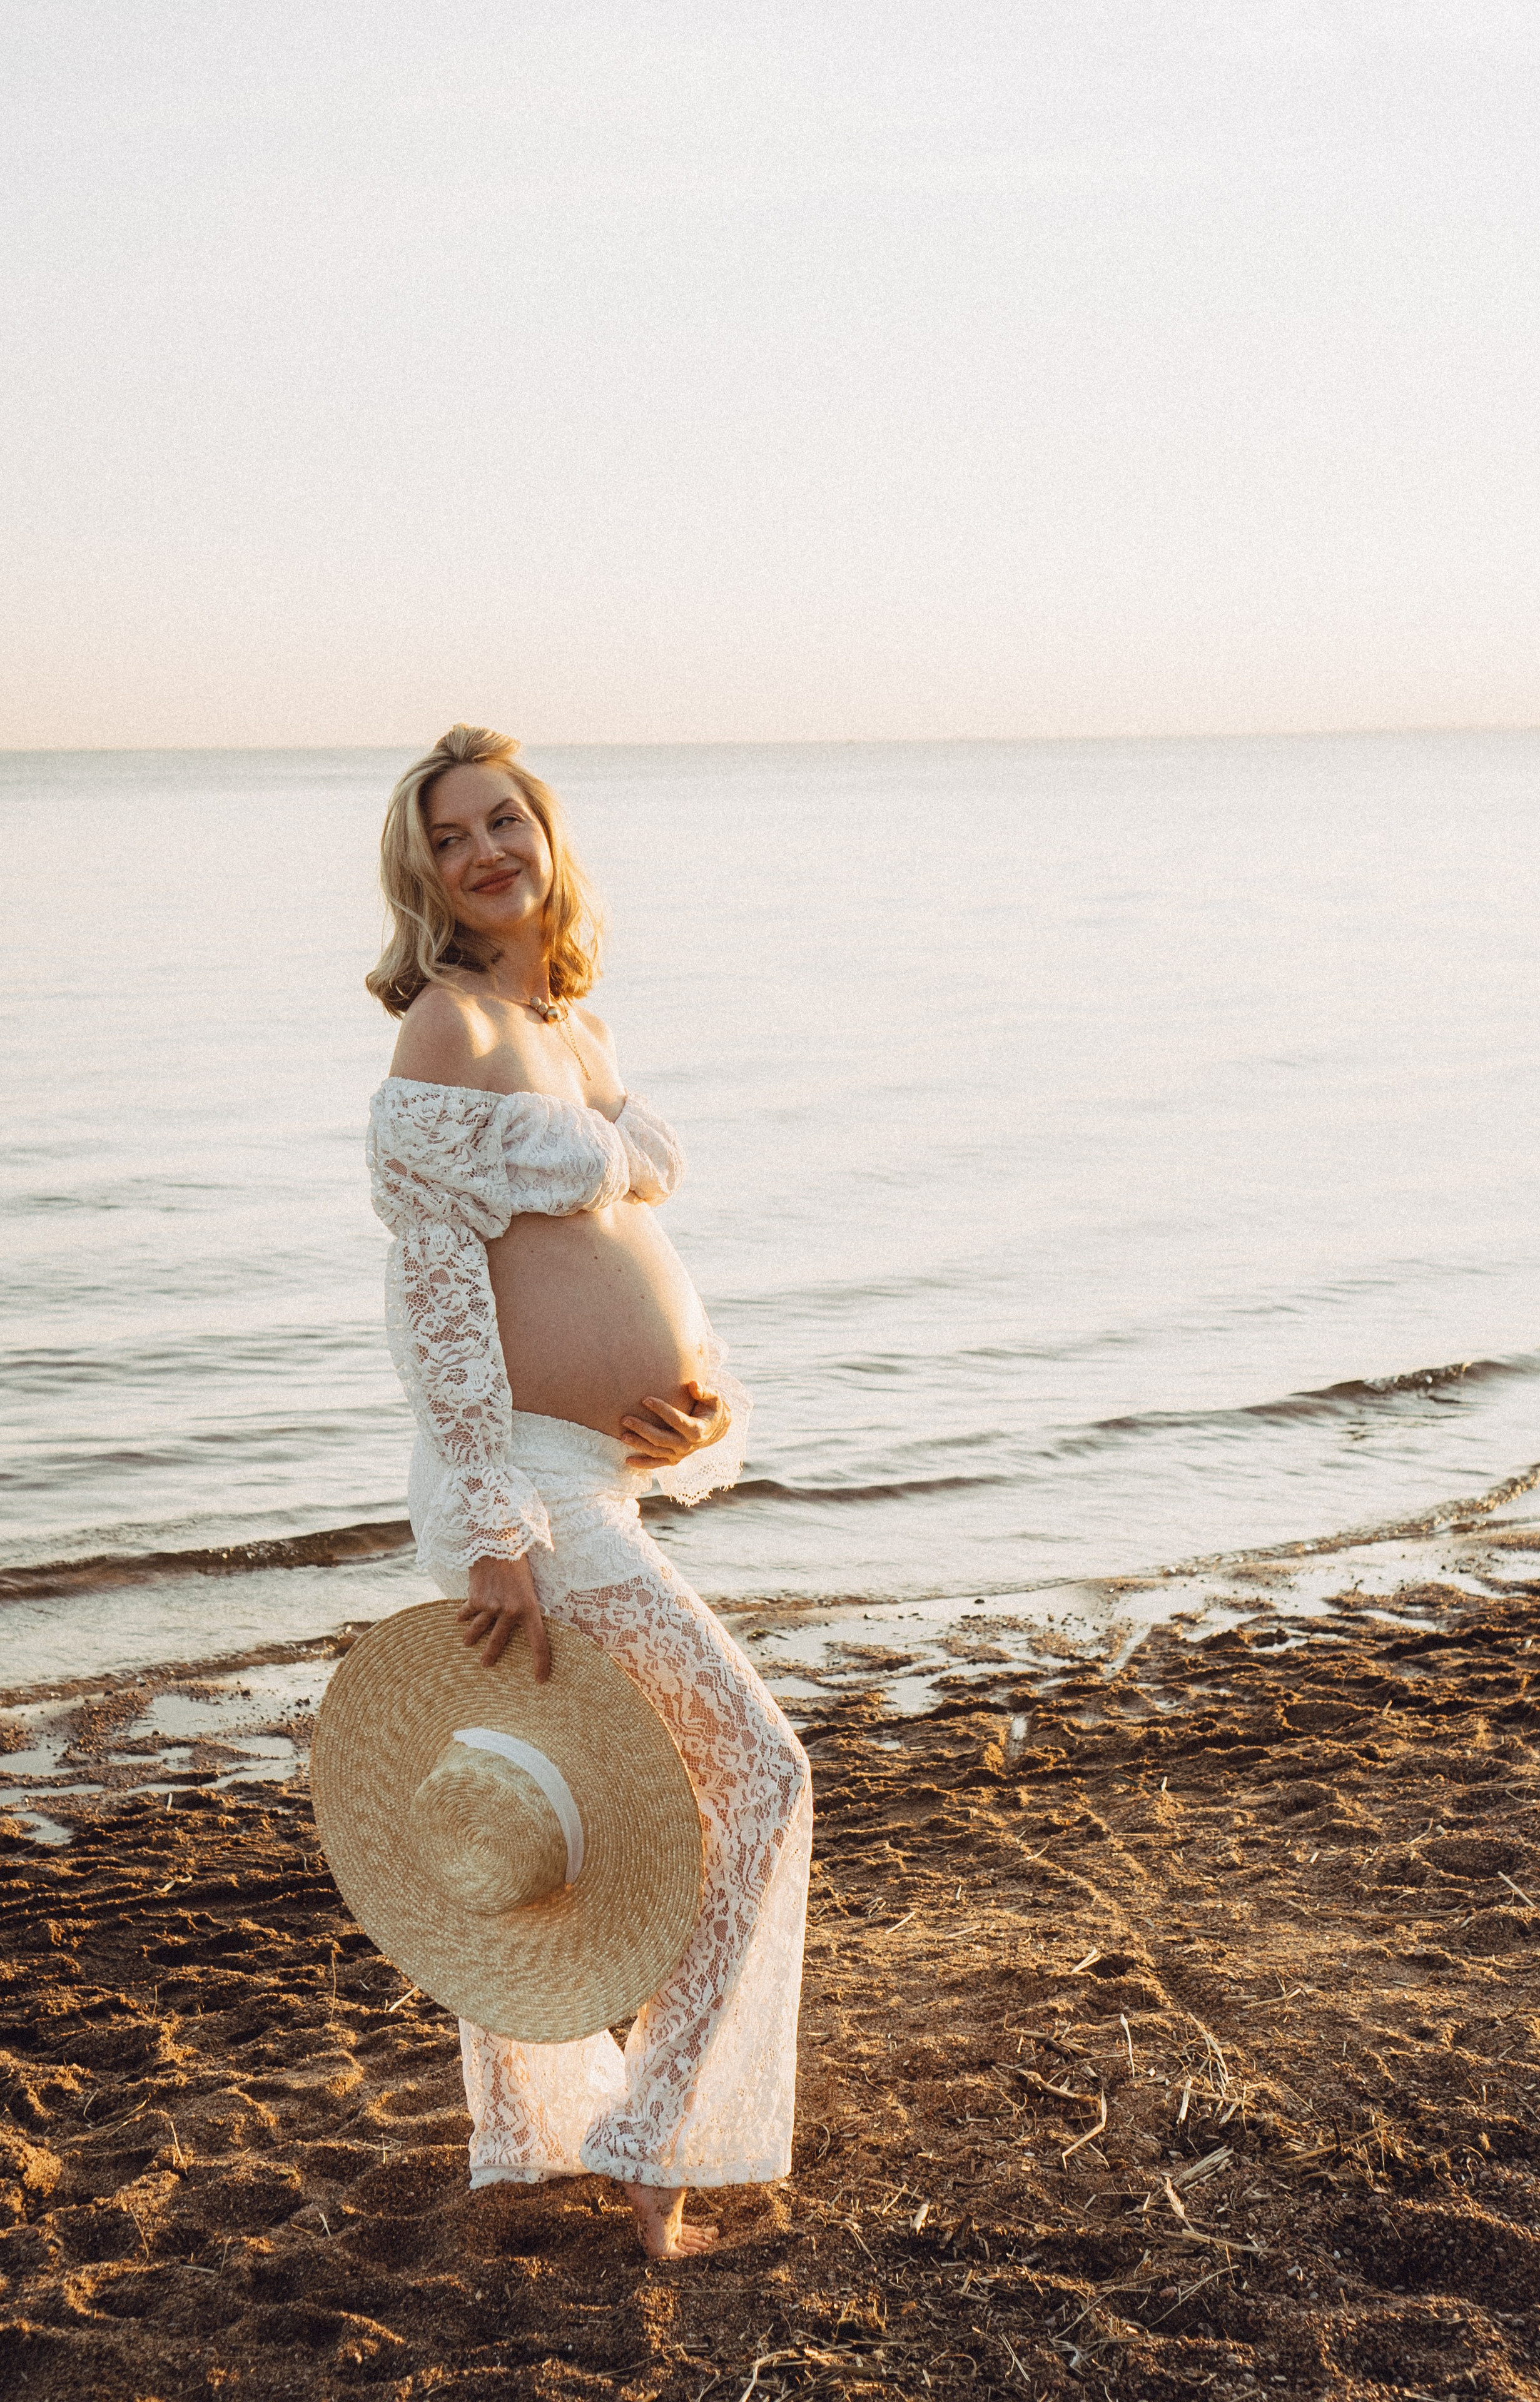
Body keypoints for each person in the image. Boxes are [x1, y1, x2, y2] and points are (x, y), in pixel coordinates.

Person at [363, 723, 811, 2259]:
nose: (485, 852)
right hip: (532, 1508)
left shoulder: (569, 1027)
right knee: (758, 1782)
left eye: (505, 822)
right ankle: (651, 2146)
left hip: (589, 1481)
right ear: (420, 873)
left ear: (547, 839)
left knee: (568, 1820)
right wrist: (492, 1522)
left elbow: (612, 1261)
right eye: (451, 838)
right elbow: (434, 1291)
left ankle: (549, 2135)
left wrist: (693, 1406)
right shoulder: (446, 1030)